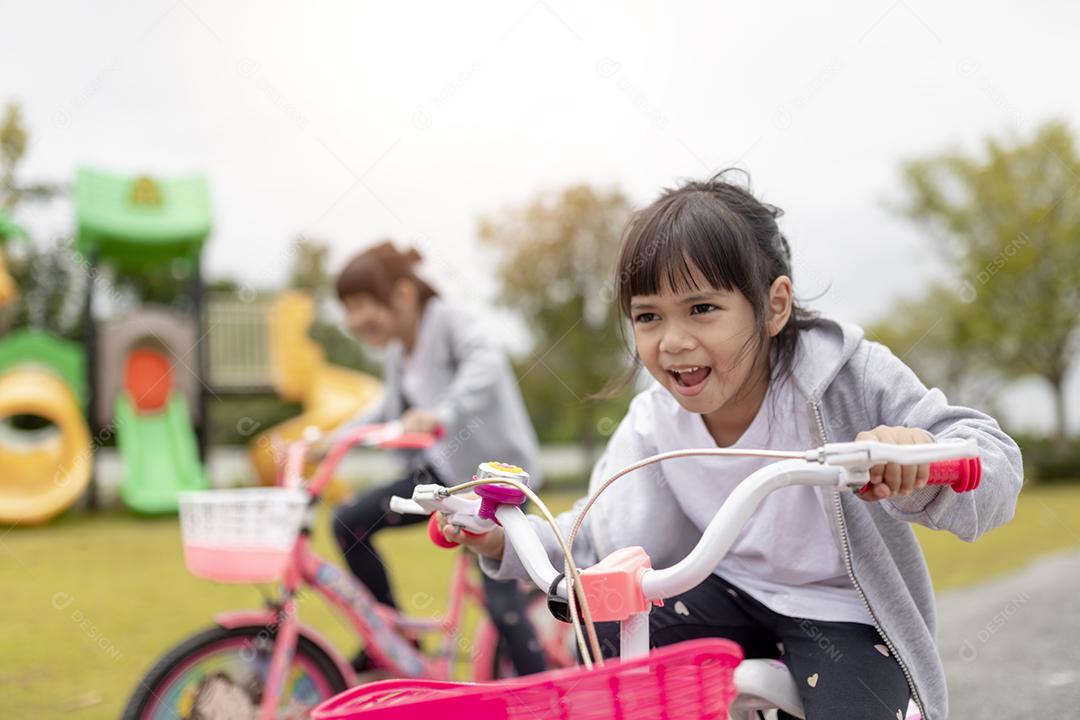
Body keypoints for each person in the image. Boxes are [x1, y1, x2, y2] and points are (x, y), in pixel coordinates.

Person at [442, 172, 1023, 719]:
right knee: (615, 638)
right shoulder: (654, 421)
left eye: (702, 309)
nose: (672, 341)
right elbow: (597, 535)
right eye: (648, 317)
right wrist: (500, 536)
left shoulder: (849, 377)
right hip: (724, 595)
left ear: (773, 306)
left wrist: (920, 454)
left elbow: (987, 453)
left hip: (844, 614)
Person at [331, 240, 546, 676]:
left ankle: (544, 697)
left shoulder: (448, 322)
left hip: (496, 481)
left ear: (403, 294)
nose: (355, 321)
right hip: (444, 476)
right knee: (349, 522)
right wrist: (332, 440)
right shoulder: (398, 353)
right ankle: (394, 641)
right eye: (347, 308)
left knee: (502, 602)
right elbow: (386, 412)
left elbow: (485, 361)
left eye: (362, 304)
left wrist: (442, 413)